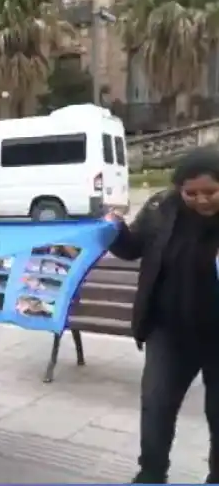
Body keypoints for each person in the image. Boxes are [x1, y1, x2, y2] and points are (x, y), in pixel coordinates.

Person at [108, 146, 219, 483]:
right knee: (156, 407)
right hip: (169, 332)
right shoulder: (161, 207)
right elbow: (131, 249)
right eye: (191, 193)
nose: (202, 200)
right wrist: (114, 228)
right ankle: (151, 474)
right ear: (178, 190)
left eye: (211, 192)